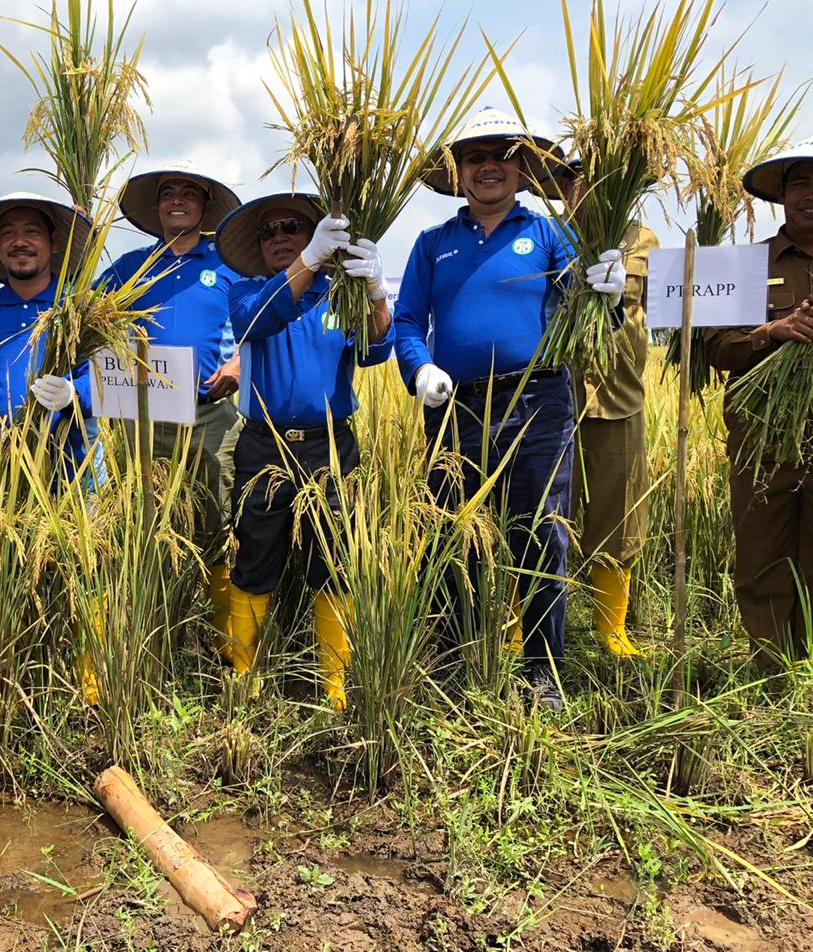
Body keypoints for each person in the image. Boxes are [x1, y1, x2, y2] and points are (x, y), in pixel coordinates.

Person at [394, 108, 627, 710]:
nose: (489, 167)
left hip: (539, 400)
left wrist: (608, 290)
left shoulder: (550, 234)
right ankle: (457, 660)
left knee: (542, 533)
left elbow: (593, 315)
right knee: (453, 536)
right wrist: (419, 366)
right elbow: (405, 321)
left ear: (521, 169)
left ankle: (542, 675)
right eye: (475, 157)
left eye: (502, 155)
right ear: (458, 172)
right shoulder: (433, 244)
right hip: (455, 407)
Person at [706, 129, 813, 685]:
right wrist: (772, 332)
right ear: (781, 191)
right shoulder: (743, 263)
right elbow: (713, 347)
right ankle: (771, 676)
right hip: (762, 435)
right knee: (761, 557)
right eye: (801, 180)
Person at [215, 192, 391, 709]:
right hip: (263, 446)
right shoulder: (248, 292)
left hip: (332, 447)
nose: (279, 237)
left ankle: (333, 683)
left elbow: (376, 347)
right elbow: (253, 323)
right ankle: (240, 670)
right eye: (268, 231)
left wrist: (377, 292)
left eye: (293, 227)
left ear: (315, 229)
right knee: (254, 553)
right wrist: (308, 260)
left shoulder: (343, 295)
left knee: (334, 559)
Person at [102, 164, 243, 638]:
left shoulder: (228, 267)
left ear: (205, 207)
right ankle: (156, 628)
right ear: (157, 206)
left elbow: (260, 320)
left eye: (189, 193)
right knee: (147, 520)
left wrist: (239, 364)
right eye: (168, 193)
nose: (177, 200)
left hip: (211, 414)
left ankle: (218, 638)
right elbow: (84, 314)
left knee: (216, 519)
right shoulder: (129, 267)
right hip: (144, 420)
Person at [550, 157, 658, 659]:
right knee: (543, 513)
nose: (585, 189)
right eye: (574, 179)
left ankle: (610, 629)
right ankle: (521, 627)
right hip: (553, 395)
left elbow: (666, 311)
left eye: (599, 179)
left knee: (618, 514)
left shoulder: (643, 241)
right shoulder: (545, 236)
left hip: (619, 393)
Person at [0, 192, 100, 483]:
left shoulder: (80, 308)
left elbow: (107, 380)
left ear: (54, 243)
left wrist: (73, 393)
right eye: (8, 234)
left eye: (32, 231)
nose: (20, 242)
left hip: (71, 472)